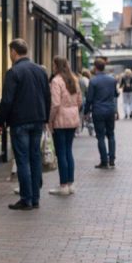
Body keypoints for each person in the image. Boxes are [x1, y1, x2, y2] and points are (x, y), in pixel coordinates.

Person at [0, 38, 50, 210]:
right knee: (35, 158)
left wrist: (0, 122)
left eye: (10, 52)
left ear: (13, 52)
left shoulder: (14, 72)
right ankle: (35, 198)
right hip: (38, 120)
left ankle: (26, 199)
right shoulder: (40, 71)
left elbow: (7, 100)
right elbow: (48, 97)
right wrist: (46, 118)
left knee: (23, 160)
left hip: (20, 122)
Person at [48, 56, 82, 195]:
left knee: (61, 152)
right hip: (73, 118)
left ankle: (63, 185)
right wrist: (73, 110)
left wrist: (50, 119)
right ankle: (71, 183)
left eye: (53, 65)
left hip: (60, 119)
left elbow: (55, 103)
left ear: (57, 66)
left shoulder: (56, 81)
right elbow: (79, 101)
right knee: (68, 151)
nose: (52, 67)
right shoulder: (74, 79)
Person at [83, 57, 118, 169]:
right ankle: (112, 159)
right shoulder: (112, 80)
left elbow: (89, 98)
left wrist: (86, 112)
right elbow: (116, 95)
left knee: (101, 136)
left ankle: (104, 160)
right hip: (110, 110)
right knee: (111, 134)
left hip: (98, 110)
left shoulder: (93, 81)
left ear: (95, 67)